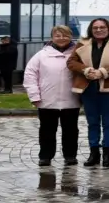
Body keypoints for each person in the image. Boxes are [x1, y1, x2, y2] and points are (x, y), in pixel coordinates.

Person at [66, 18, 109, 168]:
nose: (99, 30)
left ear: (108, 28)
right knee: (92, 123)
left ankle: (107, 153)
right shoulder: (82, 43)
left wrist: (104, 72)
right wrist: (86, 70)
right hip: (88, 88)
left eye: (102, 27)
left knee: (108, 122)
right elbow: (71, 62)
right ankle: (94, 153)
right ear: (91, 29)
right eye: (95, 28)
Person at [23, 25, 80, 167]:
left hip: (71, 99)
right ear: (52, 37)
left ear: (71, 36)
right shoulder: (41, 55)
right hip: (47, 100)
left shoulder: (78, 54)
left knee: (71, 130)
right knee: (47, 130)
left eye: (65, 35)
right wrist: (34, 96)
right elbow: (30, 75)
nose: (61, 38)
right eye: (58, 35)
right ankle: (45, 156)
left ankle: (70, 155)